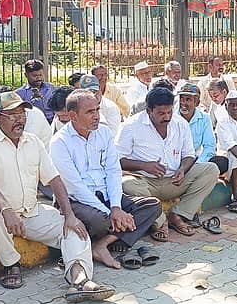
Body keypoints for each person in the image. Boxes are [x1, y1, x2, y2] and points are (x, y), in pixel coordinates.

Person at [0, 91, 114, 300]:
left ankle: (79, 279)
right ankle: (11, 265)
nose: (19, 120)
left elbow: (54, 179)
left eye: (22, 114)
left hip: (30, 212)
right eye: (13, 115)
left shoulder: (33, 142)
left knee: (75, 228)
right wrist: (6, 210)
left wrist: (69, 215)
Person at [49, 90, 161, 270]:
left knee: (152, 206)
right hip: (77, 200)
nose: (96, 116)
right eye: (90, 112)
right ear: (73, 116)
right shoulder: (59, 142)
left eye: (97, 110)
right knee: (101, 221)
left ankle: (102, 244)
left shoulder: (104, 133)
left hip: (106, 196)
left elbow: (113, 171)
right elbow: (75, 187)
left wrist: (116, 207)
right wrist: (110, 213)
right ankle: (117, 240)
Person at [118, 88, 219, 242]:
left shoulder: (180, 123)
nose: (166, 117)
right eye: (161, 113)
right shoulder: (131, 126)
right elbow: (117, 160)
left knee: (211, 170)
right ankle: (160, 222)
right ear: (149, 110)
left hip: (174, 181)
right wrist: (145, 166)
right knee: (126, 184)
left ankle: (178, 214)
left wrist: (182, 169)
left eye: (169, 112)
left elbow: (189, 155)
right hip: (145, 183)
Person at [176, 83, 225, 173]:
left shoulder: (204, 118)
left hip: (195, 160)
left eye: (188, 100)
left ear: (197, 103)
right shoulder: (172, 118)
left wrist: (198, 164)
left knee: (221, 162)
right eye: (181, 99)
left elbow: (209, 146)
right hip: (176, 160)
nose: (183, 103)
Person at [17, 59, 56, 123]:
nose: (38, 78)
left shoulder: (51, 88)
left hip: (52, 123)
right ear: (26, 75)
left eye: (40, 75)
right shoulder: (20, 93)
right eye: (34, 76)